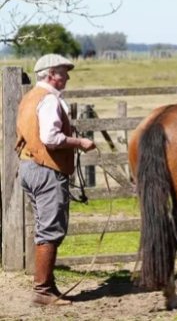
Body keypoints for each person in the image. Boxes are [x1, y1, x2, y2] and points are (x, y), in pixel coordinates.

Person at [15, 54, 96, 306]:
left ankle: (47, 285)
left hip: (29, 167)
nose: (67, 76)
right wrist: (79, 142)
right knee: (51, 228)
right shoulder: (49, 100)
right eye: (63, 72)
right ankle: (42, 291)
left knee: (44, 225)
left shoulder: (30, 98)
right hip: (46, 170)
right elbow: (50, 138)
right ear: (51, 74)